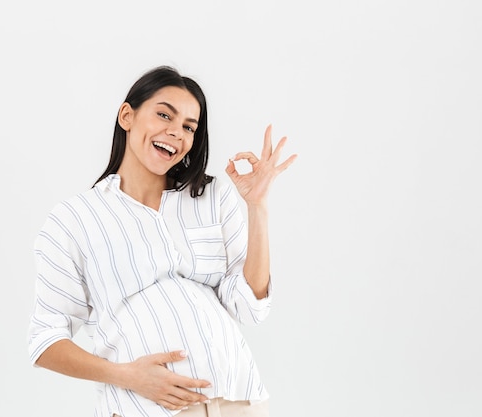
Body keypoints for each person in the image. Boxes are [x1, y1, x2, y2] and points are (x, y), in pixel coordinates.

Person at [27, 65, 297, 417]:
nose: (175, 132)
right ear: (127, 115)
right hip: (146, 409)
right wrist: (127, 376)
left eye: (188, 126)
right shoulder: (75, 220)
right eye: (163, 115)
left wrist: (257, 208)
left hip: (239, 402)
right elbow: (45, 341)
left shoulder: (212, 196)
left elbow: (250, 307)